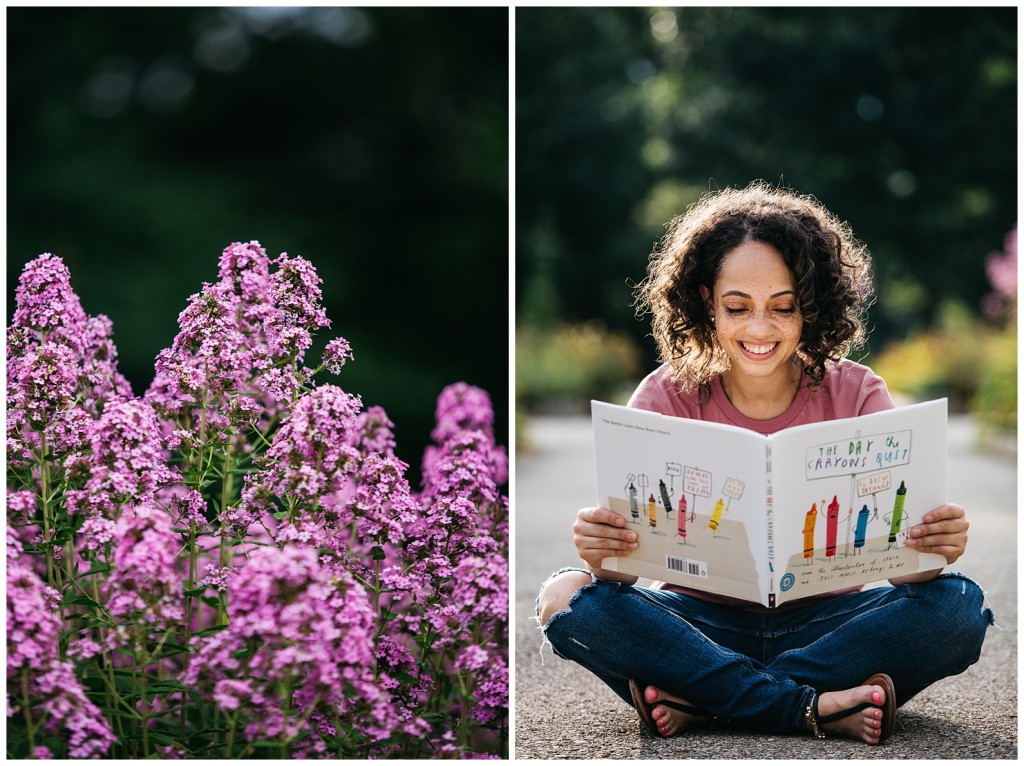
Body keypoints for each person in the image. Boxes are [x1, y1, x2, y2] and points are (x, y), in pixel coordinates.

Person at [536, 181, 992, 745]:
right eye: (737, 307)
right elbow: (622, 575)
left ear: (811, 307)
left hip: (829, 625)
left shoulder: (858, 393)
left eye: (783, 307)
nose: (759, 328)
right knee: (565, 596)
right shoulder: (664, 396)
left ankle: (710, 700)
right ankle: (809, 706)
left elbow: (908, 573)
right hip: (696, 624)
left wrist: (933, 544)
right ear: (706, 300)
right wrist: (604, 550)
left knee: (961, 606)